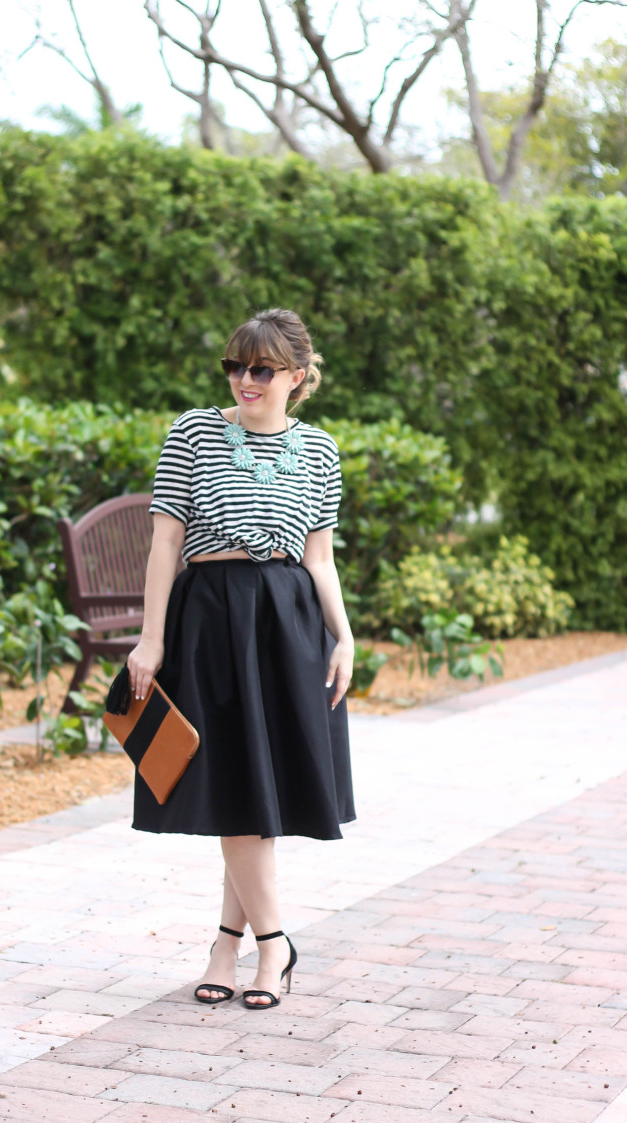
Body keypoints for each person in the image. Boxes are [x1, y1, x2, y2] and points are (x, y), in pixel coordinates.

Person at [127, 308, 355, 1010]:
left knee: (255, 794)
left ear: (295, 375)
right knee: (233, 784)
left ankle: (228, 944)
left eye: (260, 369)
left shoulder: (320, 450)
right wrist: (152, 637)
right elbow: (167, 541)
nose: (245, 380)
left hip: (286, 625)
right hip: (210, 621)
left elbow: (319, 557)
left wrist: (343, 635)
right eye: (235, 366)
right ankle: (275, 943)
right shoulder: (194, 431)